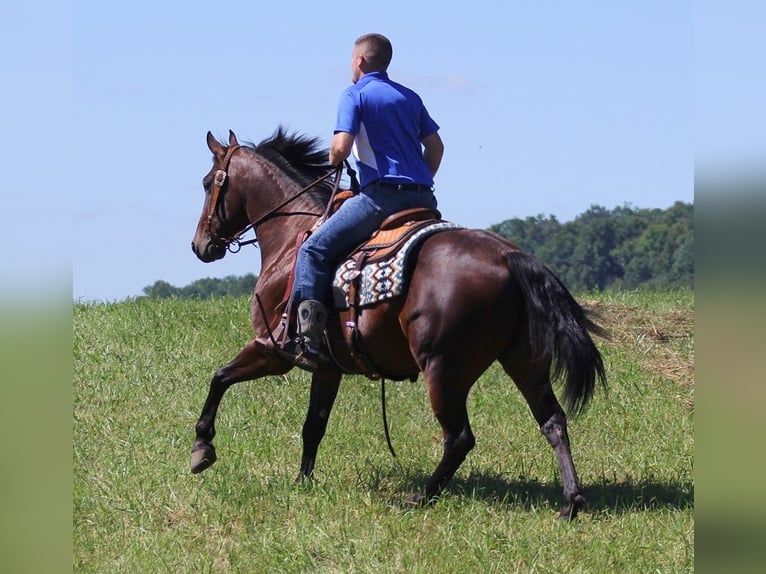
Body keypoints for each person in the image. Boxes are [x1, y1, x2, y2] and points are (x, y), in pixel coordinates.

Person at [284, 32, 445, 370]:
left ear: (359, 61)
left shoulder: (354, 94)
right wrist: (422, 180)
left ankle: (306, 339)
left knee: (313, 249)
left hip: (380, 198)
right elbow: (436, 148)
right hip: (424, 199)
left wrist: (332, 155)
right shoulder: (410, 96)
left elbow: (340, 149)